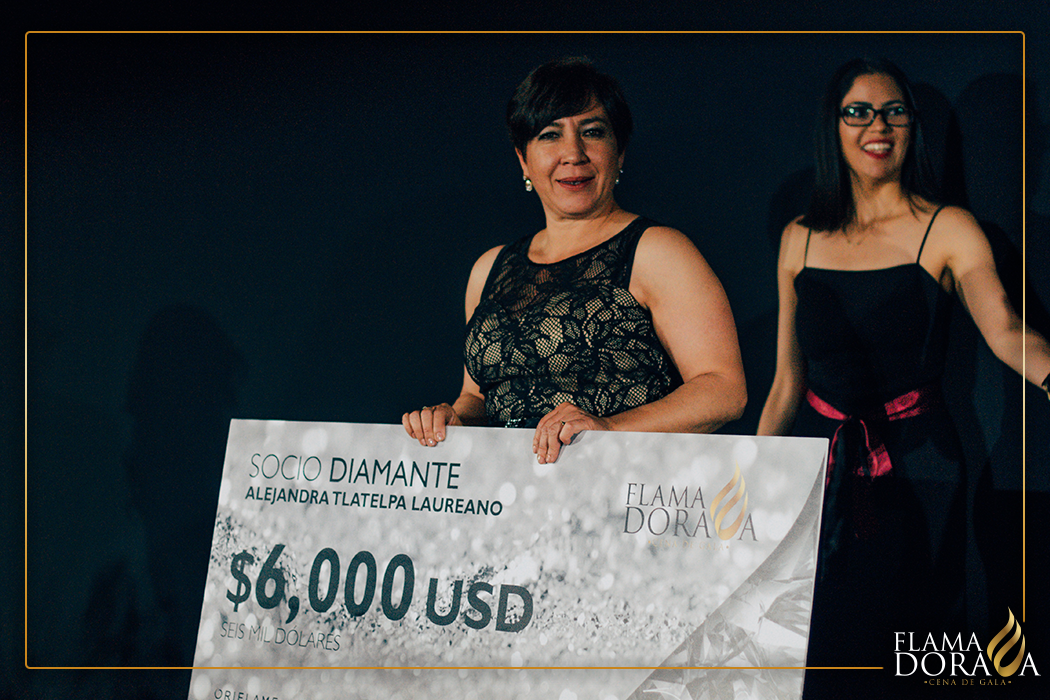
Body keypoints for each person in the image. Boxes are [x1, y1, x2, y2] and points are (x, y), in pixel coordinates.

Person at [757, 58, 1050, 695]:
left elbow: (1007, 331)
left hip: (921, 470)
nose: (877, 126)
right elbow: (786, 381)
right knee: (817, 653)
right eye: (858, 112)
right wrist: (756, 480)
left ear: (912, 126)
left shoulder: (949, 228)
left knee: (907, 656)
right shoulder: (798, 237)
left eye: (893, 111)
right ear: (833, 126)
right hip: (820, 472)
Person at [403, 57, 746, 463]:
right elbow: (476, 397)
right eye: (550, 135)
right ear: (523, 160)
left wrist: (609, 429)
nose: (573, 153)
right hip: (509, 490)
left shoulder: (658, 250)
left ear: (619, 151)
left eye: (592, 132)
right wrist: (453, 420)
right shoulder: (490, 268)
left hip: (622, 484)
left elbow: (723, 390)